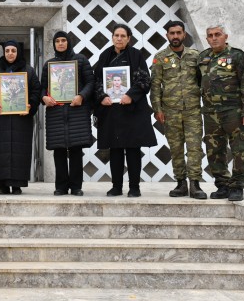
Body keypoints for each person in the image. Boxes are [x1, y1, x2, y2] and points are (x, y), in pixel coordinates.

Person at [94, 24, 157, 198]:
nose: (119, 38)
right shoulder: (105, 56)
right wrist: (101, 97)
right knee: (114, 150)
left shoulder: (136, 55)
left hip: (132, 110)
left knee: (133, 150)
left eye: (123, 36)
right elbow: (97, 80)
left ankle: (134, 187)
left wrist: (130, 95)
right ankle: (116, 186)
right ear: (112, 37)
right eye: (116, 35)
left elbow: (145, 80)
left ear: (129, 38)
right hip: (111, 111)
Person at [198, 25, 244, 201]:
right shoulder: (203, 58)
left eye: (218, 34)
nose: (214, 38)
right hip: (211, 113)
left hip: (234, 111)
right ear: (207, 39)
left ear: (226, 36)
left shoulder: (238, 56)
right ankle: (222, 185)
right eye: (210, 35)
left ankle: (238, 186)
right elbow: (198, 83)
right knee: (215, 150)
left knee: (240, 149)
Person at [150, 20, 206, 199]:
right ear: (167, 35)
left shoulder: (195, 56)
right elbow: (155, 85)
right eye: (172, 33)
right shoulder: (160, 57)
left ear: (184, 35)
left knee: (195, 147)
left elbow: (203, 82)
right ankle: (181, 183)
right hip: (170, 111)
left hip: (192, 111)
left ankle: (195, 184)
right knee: (175, 148)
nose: (175, 36)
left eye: (178, 33)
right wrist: (157, 109)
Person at [0, 40, 41, 195]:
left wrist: (30, 105)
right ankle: (2, 185)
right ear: (4, 52)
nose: (10, 53)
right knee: (0, 151)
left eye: (13, 50)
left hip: (21, 119)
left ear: (18, 52)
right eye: (7, 50)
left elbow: (36, 91)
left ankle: (17, 185)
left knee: (19, 151)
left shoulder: (29, 70)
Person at [40, 31, 94, 197]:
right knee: (59, 150)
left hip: (76, 111)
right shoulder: (49, 64)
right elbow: (42, 87)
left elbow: (91, 82)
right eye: (58, 41)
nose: (61, 43)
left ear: (69, 42)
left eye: (64, 40)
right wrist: (44, 98)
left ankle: (76, 186)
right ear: (54, 44)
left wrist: (81, 96)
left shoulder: (81, 60)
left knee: (76, 150)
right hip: (56, 112)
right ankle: (61, 186)